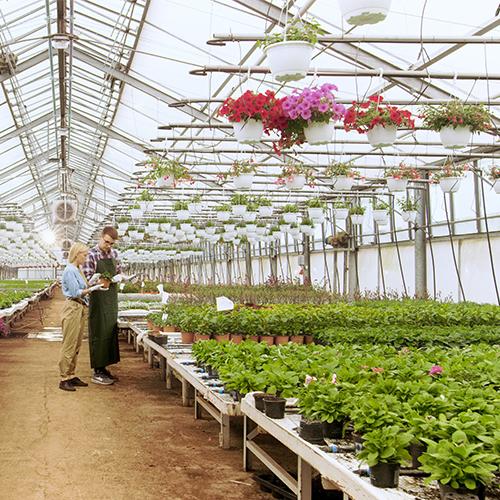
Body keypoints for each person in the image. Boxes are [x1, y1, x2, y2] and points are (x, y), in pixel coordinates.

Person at [59, 243, 102, 392]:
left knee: (76, 344)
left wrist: (92, 282)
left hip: (80, 307)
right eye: (84, 255)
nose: (86, 257)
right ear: (77, 254)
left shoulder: (78, 270)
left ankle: (71, 374)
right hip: (72, 307)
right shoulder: (70, 270)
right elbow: (76, 292)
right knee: (69, 344)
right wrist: (91, 289)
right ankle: (64, 378)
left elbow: (82, 287)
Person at [83, 226, 122, 386]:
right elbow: (87, 278)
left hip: (111, 300)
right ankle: (97, 370)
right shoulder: (91, 254)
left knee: (110, 331)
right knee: (99, 332)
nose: (108, 246)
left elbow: (119, 271)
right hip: (98, 300)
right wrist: (99, 280)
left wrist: (120, 277)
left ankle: (104, 367)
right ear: (101, 237)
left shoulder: (114, 254)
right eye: (106, 242)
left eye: (111, 243)